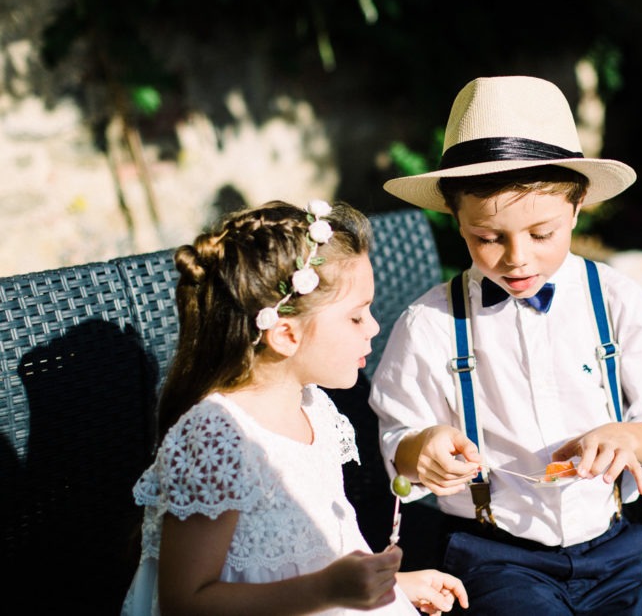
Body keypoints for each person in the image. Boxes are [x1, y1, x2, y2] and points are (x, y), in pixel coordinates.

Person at [368, 75, 642, 615]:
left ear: (578, 205)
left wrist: (630, 438)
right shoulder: (429, 323)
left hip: (612, 551)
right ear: (456, 220)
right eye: (488, 238)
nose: (516, 258)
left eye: (541, 234)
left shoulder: (616, 301)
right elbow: (398, 437)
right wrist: (419, 448)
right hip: (493, 556)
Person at [120, 199, 468, 616]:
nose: (374, 327)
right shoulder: (217, 438)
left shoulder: (313, 406)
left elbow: (315, 551)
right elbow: (186, 602)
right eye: (356, 317)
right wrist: (327, 590)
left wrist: (392, 587)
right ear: (285, 334)